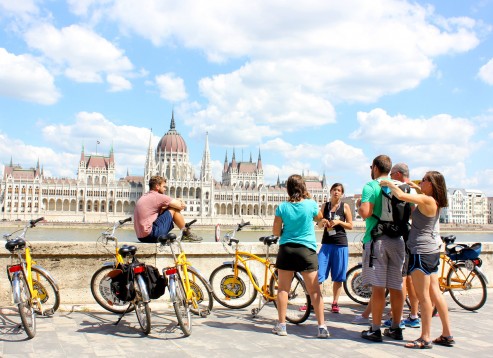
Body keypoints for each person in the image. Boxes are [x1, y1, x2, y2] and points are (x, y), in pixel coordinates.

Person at [381, 171, 454, 349]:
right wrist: (416, 187)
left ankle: (425, 337)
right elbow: (419, 196)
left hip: (421, 252)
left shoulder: (427, 200)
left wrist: (388, 183)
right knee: (435, 293)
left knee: (423, 298)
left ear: (432, 184)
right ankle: (447, 334)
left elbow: (400, 195)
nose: (420, 181)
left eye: (424, 180)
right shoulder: (434, 200)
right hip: (432, 251)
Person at [272, 174, 329, 338]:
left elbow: (276, 232)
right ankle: (321, 327)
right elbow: (320, 220)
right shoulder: (311, 204)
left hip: (287, 249)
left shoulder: (282, 207)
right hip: (306, 250)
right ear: (303, 188)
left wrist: (286, 231)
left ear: (288, 189)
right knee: (315, 291)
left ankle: (282, 326)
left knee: (283, 289)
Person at [358, 155, 406, 342]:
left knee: (378, 288)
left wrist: (361, 208)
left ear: (376, 168)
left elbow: (366, 212)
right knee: (396, 286)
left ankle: (375, 329)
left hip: (377, 239)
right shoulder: (399, 186)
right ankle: (396, 327)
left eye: (371, 166)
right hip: (398, 240)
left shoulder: (371, 186)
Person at [383, 163, 420, 329]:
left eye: (392, 174)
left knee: (401, 279)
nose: (390, 177)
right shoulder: (414, 189)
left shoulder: (403, 189)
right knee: (410, 279)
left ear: (398, 174)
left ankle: (397, 317)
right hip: (412, 236)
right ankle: (413, 315)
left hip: (401, 236)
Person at [317, 183, 353, 313]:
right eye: (334, 190)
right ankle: (315, 302)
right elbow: (319, 224)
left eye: (339, 190)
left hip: (340, 244)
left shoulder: (345, 207)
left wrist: (339, 222)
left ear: (342, 194)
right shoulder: (324, 206)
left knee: (338, 276)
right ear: (330, 191)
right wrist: (323, 222)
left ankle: (335, 302)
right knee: (318, 274)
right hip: (326, 244)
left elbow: (350, 225)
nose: (336, 192)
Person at [134, 175, 200, 243]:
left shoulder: (144, 196)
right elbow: (181, 206)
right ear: (157, 186)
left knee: (167, 207)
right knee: (173, 208)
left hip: (141, 237)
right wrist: (180, 199)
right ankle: (186, 233)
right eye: (164, 186)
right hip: (151, 235)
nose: (165, 189)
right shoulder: (158, 197)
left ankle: (185, 232)